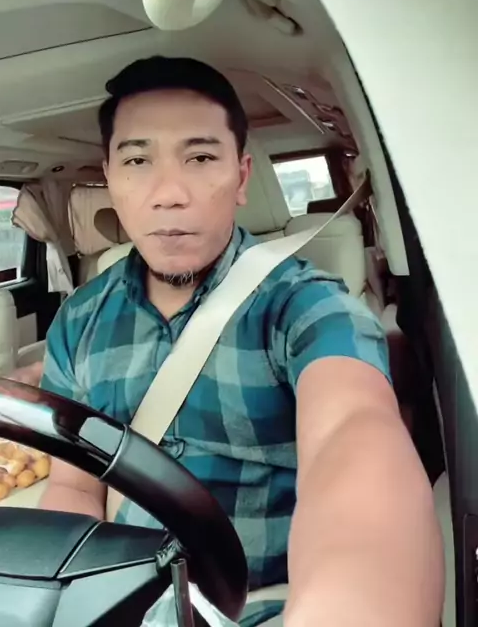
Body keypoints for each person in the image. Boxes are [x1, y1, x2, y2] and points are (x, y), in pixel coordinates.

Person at [38, 55, 443, 627]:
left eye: (201, 158)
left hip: (263, 606)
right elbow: (74, 486)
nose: (169, 193)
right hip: (122, 602)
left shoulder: (305, 305)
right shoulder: (79, 320)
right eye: (137, 160)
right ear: (110, 177)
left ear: (242, 177)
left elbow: (355, 438)